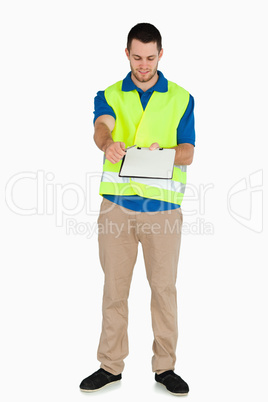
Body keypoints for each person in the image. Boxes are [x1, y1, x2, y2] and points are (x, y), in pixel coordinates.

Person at [80, 22, 195, 396]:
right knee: (114, 290)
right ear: (126, 54)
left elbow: (189, 152)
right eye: (136, 57)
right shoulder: (110, 94)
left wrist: (160, 155)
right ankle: (110, 367)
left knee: (164, 290)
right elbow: (102, 126)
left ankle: (165, 368)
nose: (143, 64)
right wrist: (108, 143)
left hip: (163, 210)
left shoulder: (181, 98)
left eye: (150, 57)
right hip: (117, 209)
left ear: (161, 54)